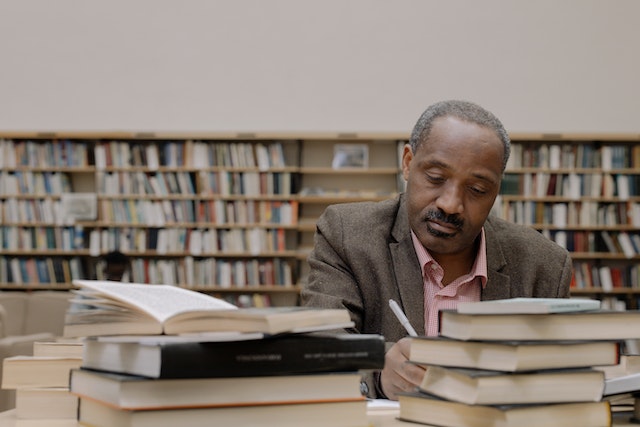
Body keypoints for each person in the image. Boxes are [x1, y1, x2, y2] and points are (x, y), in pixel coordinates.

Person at [301, 100, 572, 400]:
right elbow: (321, 345)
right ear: (407, 162)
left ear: (496, 191)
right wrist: (379, 374)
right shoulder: (347, 235)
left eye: (477, 190)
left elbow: (559, 378)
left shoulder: (544, 265)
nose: (451, 204)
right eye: (436, 178)